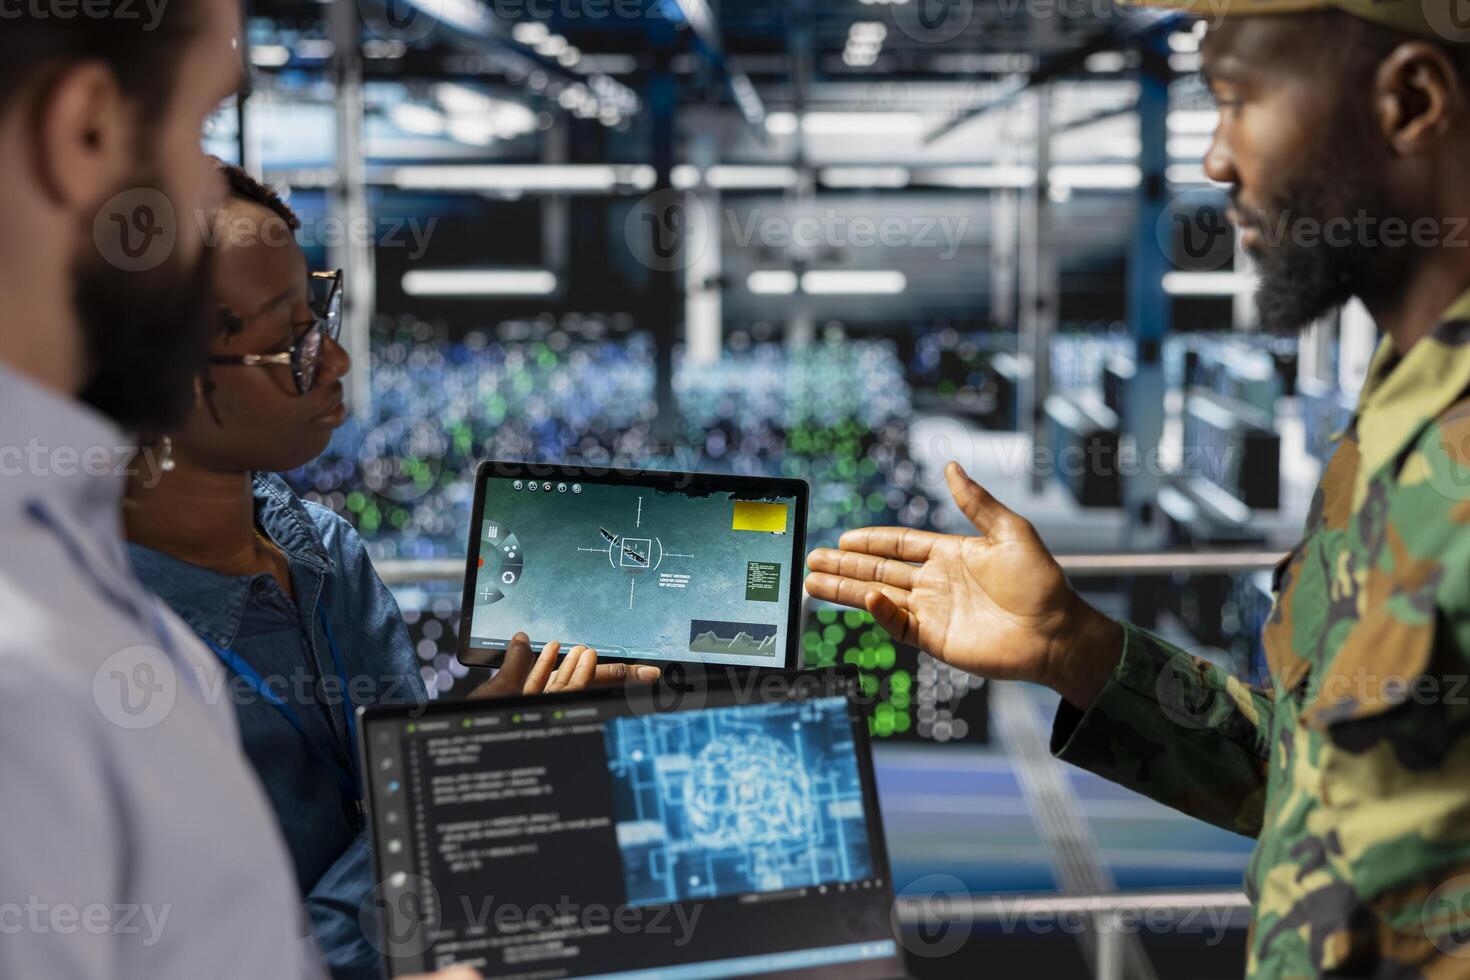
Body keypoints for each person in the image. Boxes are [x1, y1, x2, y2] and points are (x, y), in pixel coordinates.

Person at [809, 5, 1470, 976]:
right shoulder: (1392, 416)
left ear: (1408, 101)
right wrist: (1074, 647)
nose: (1214, 159)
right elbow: (1313, 779)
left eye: (1239, 101)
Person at [0, 7, 465, 979]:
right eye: (198, 127)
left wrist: (463, 760)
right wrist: (435, 810)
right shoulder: (47, 657)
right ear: (82, 132)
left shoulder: (310, 554)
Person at [123, 161, 661, 979]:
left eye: (319, 315)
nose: (333, 361)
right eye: (287, 343)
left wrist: (480, 729)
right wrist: (453, 781)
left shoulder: (327, 553)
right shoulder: (102, 653)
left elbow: (405, 822)